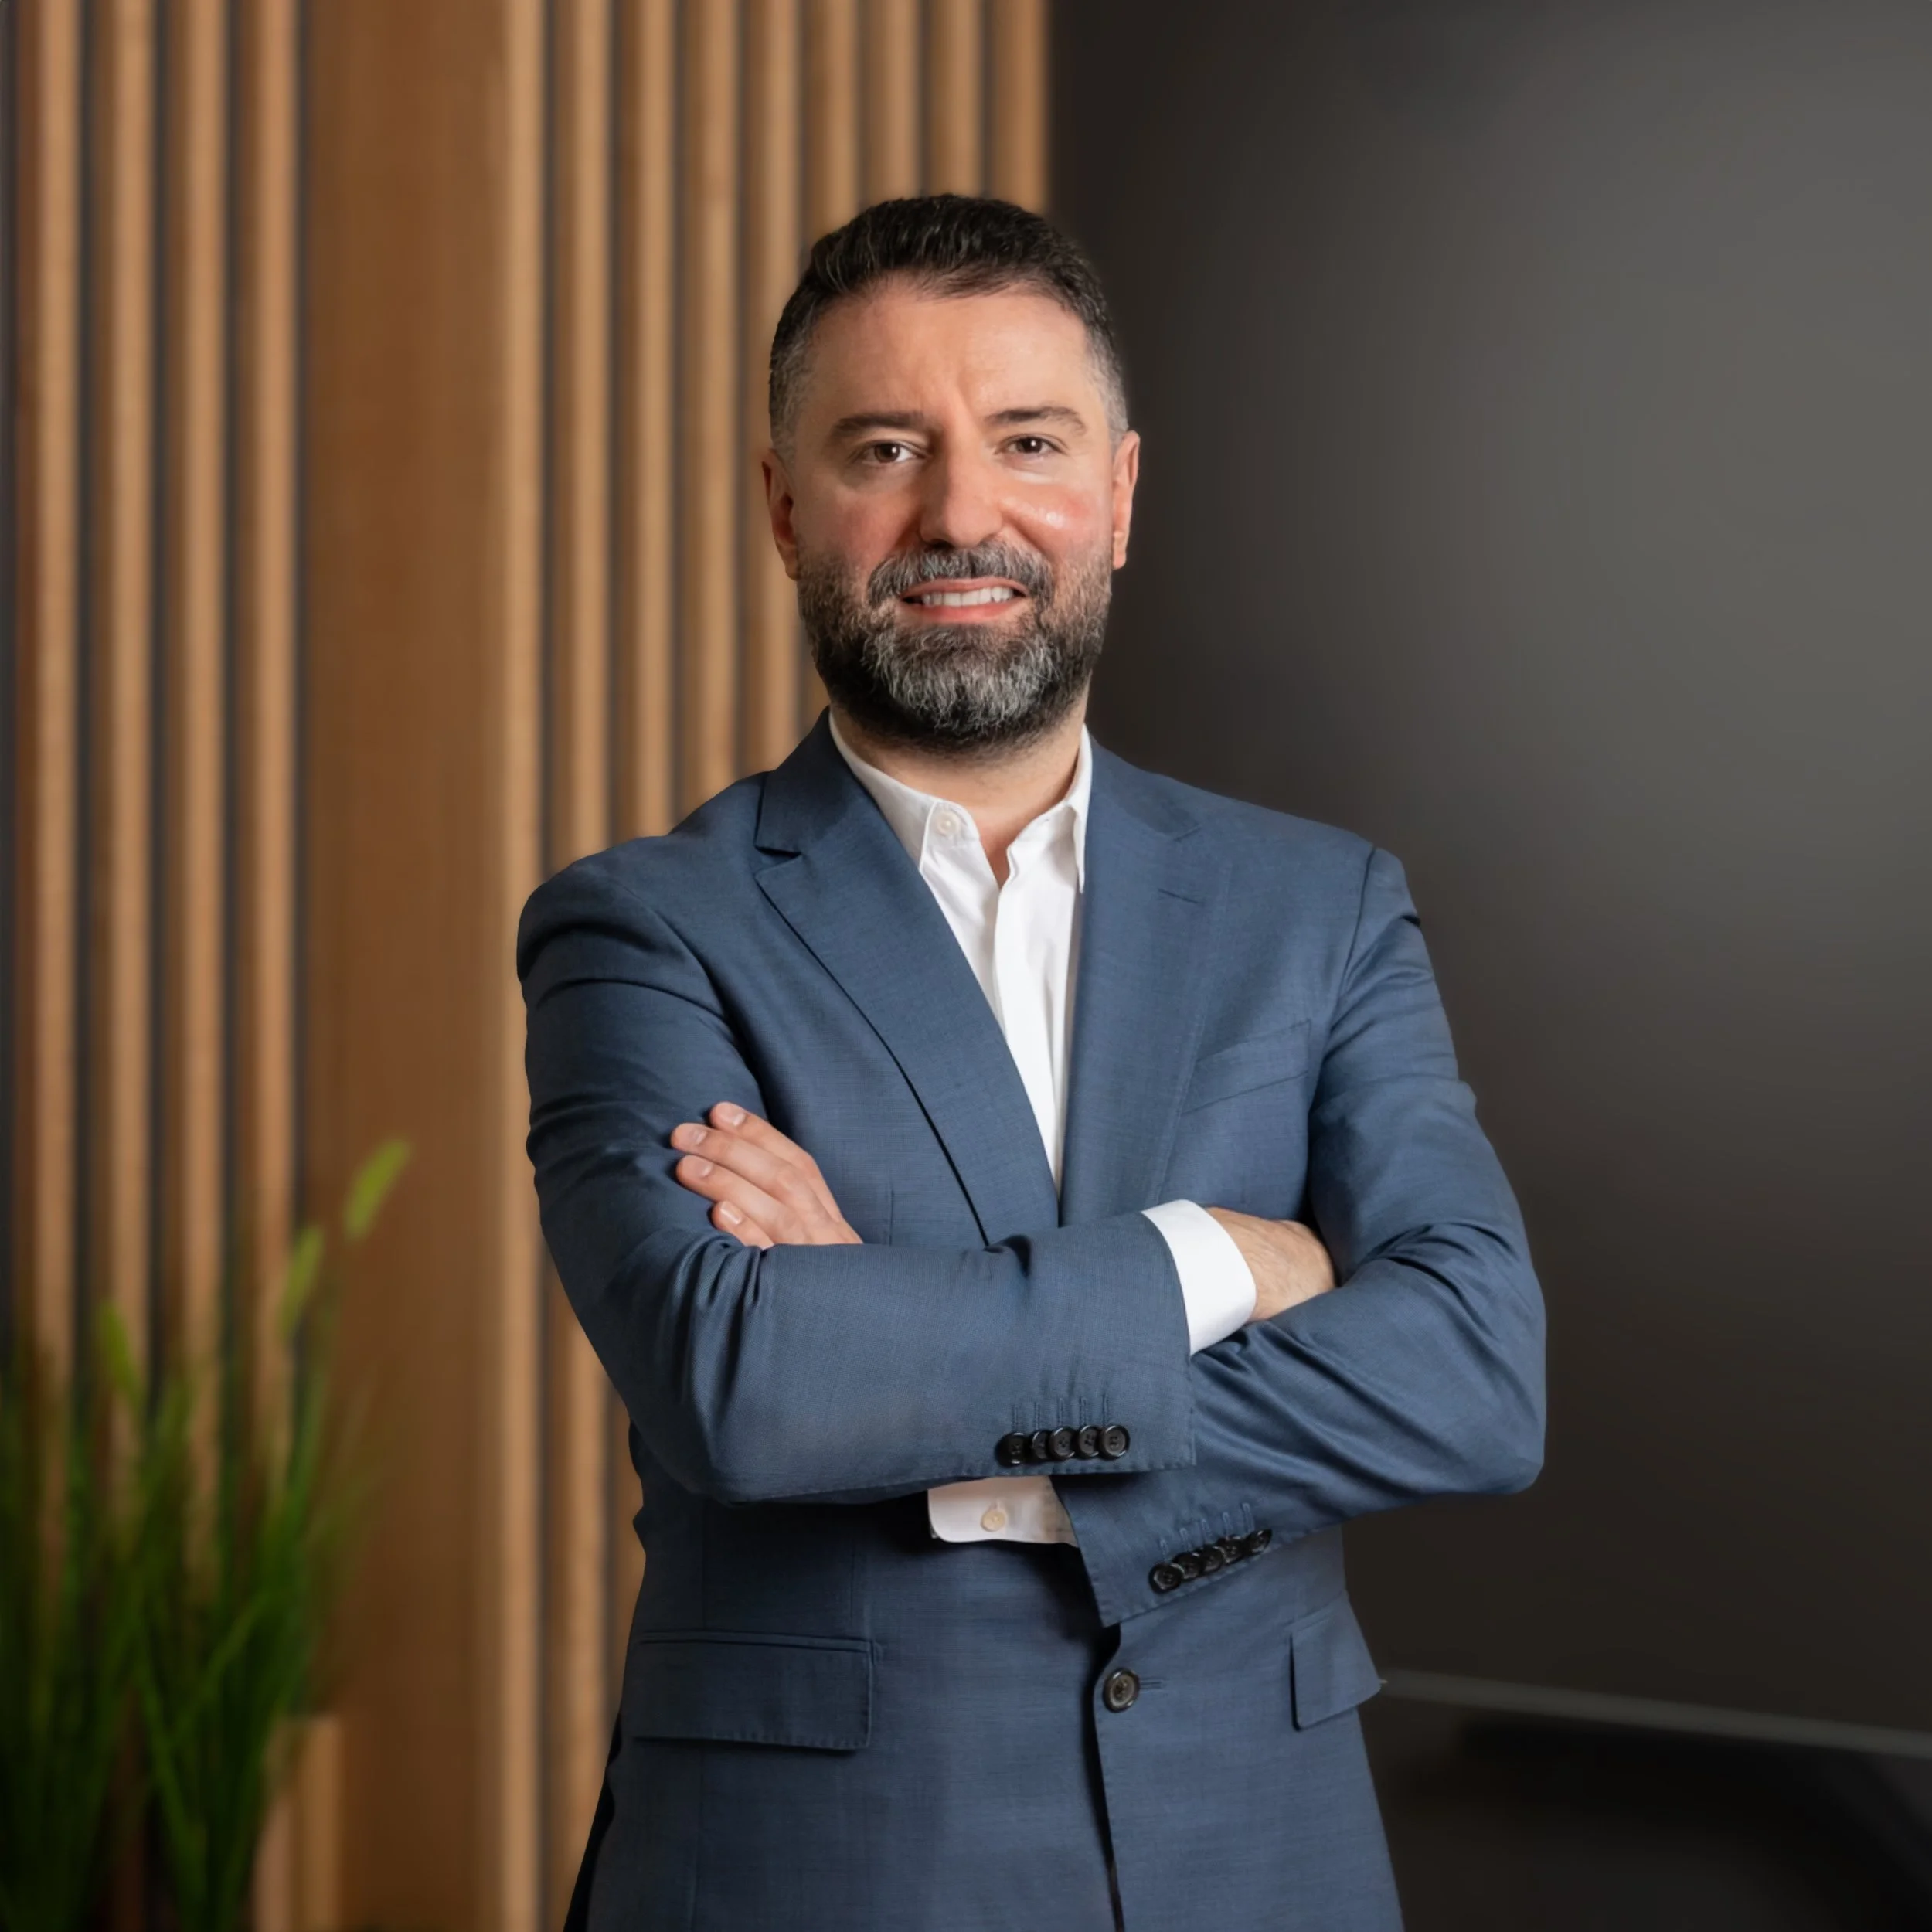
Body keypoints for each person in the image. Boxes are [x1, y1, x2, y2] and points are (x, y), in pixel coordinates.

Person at [520, 194, 1545, 1932]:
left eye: (1024, 441)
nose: (960, 512)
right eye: (883, 448)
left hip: (1262, 1859)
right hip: (819, 1880)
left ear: (1118, 496)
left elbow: (1472, 1366)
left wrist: (929, 1384)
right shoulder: (644, 927)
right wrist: (1225, 1258)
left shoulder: (1323, 907)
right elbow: (741, 1381)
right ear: (784, 507)